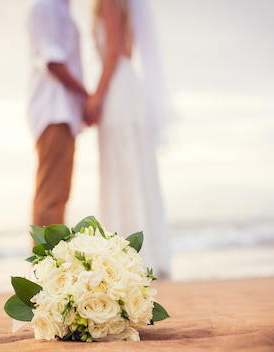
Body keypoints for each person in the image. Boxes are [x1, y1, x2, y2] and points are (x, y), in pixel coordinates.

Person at [85, 0, 171, 278]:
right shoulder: (125, 6)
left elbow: (113, 52)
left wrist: (96, 97)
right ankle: (146, 255)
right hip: (128, 87)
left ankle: (128, 259)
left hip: (118, 91)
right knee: (133, 169)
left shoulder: (109, 2)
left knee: (120, 170)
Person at [26, 0, 89, 229]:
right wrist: (87, 98)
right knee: (51, 197)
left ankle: (51, 263)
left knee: (58, 195)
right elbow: (52, 60)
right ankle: (44, 264)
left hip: (63, 111)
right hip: (54, 110)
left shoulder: (59, 7)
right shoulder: (47, 6)